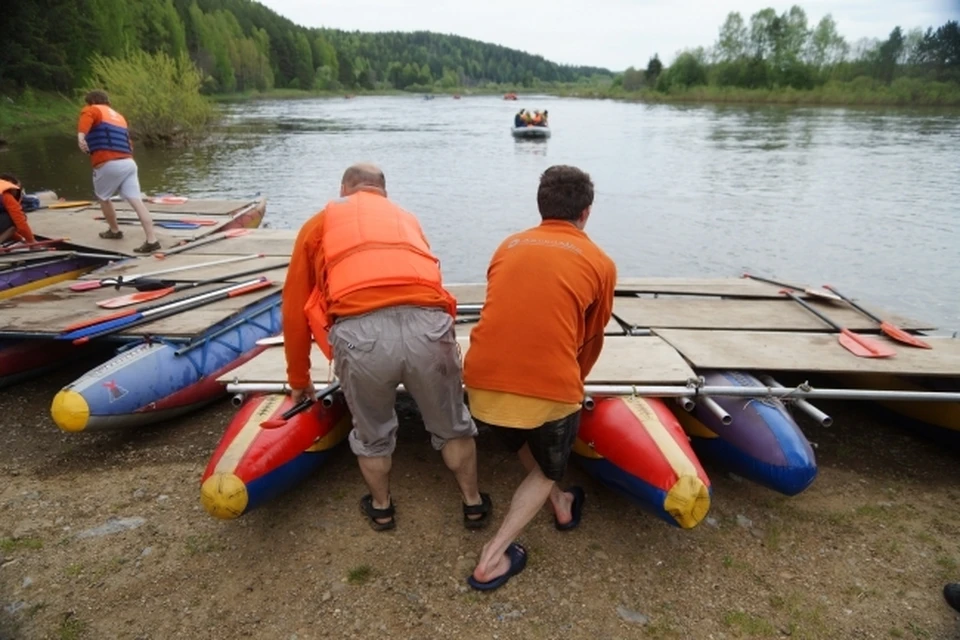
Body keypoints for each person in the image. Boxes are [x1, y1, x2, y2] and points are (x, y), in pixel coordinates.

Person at [282, 162, 491, 531]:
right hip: (428, 327)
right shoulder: (406, 219)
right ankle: (473, 504)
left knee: (373, 432)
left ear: (344, 189)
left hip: (362, 335)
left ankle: (382, 508)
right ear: (384, 191)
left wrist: (299, 377)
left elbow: (295, 307)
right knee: (453, 426)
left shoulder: (320, 224)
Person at [463, 165, 616, 591]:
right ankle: (492, 559)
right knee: (550, 464)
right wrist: (573, 382)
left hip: (478, 383)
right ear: (586, 212)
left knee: (524, 441)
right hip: (546, 387)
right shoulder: (600, 262)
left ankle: (562, 504)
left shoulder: (508, 245)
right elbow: (591, 338)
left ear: (540, 206)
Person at [77, 90, 160, 254]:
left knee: (103, 197)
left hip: (108, 163)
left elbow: (85, 121)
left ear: (92, 101)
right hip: (129, 163)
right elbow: (127, 142)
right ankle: (152, 240)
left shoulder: (92, 109)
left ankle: (114, 231)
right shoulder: (119, 117)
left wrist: (80, 138)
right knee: (137, 201)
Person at [0, 174, 37, 245]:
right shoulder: (6, 195)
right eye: (18, 188)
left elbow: (7, 229)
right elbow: (20, 221)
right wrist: (31, 241)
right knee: (19, 217)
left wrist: (20, 239)